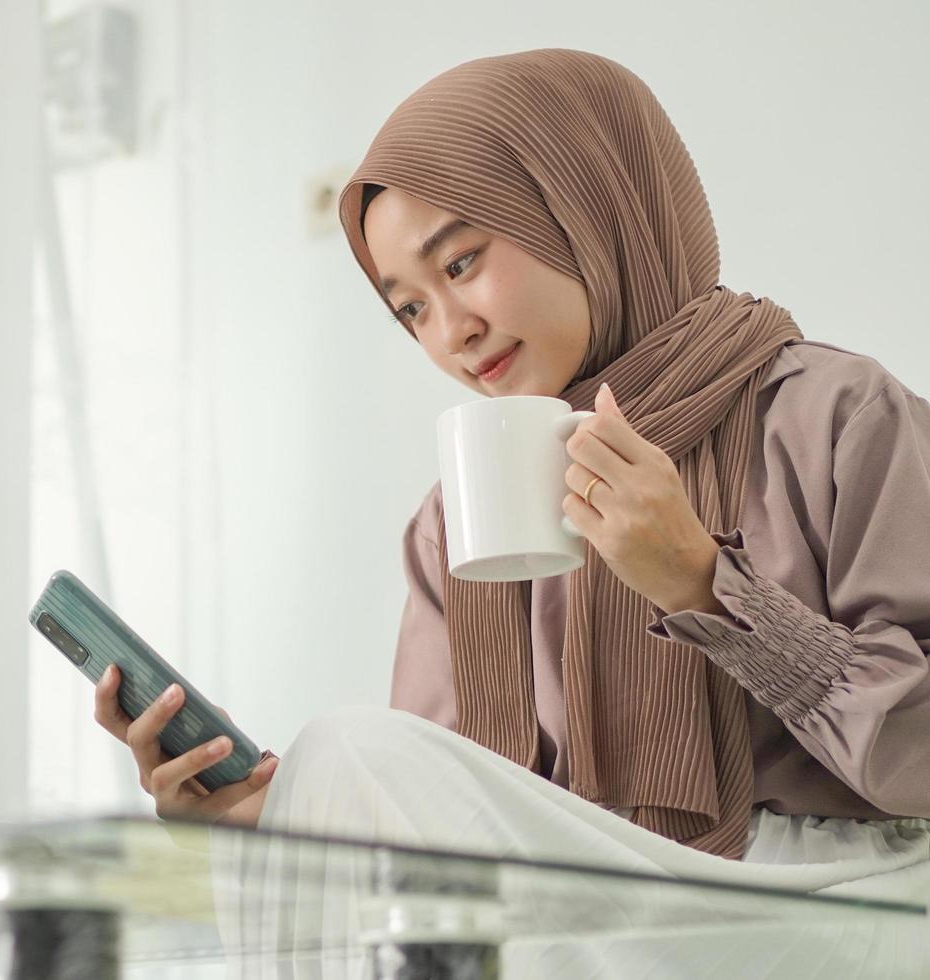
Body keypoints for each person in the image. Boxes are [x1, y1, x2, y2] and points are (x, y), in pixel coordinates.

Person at [90, 49, 930, 909]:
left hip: (837, 897)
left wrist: (705, 586)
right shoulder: (453, 519)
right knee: (344, 771)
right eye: (410, 307)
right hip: (581, 915)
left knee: (350, 748)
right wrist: (257, 810)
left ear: (588, 206)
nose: (451, 330)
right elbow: (439, 818)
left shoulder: (833, 417)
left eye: (459, 264)